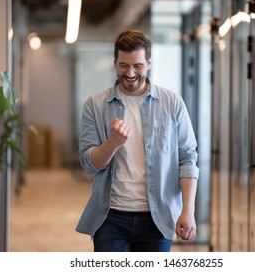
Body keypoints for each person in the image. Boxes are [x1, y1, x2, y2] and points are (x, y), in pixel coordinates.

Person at [75, 30, 199, 252]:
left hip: (157, 218)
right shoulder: (95, 105)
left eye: (138, 66)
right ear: (115, 63)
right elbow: (88, 162)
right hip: (110, 218)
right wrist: (113, 142)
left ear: (148, 63)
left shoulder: (172, 103)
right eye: (124, 65)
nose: (130, 73)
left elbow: (187, 158)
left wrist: (188, 210)